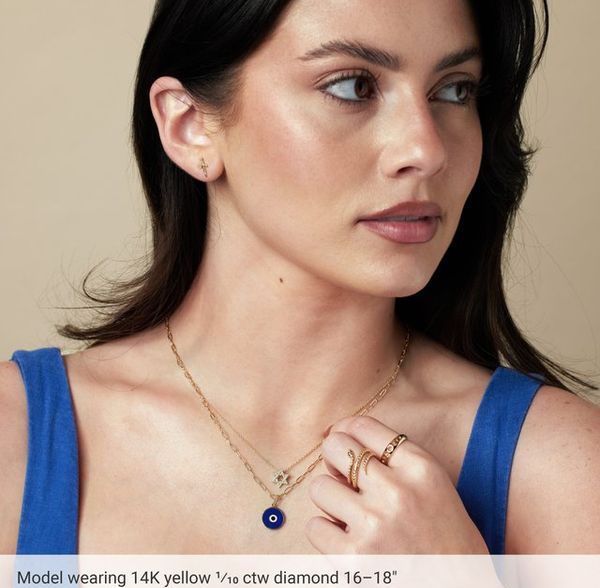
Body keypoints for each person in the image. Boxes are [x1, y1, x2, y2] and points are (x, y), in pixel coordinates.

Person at [1, 0, 599, 558]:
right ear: (190, 126)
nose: (426, 149)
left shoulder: (563, 468)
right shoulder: (16, 435)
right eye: (353, 86)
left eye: (454, 89)